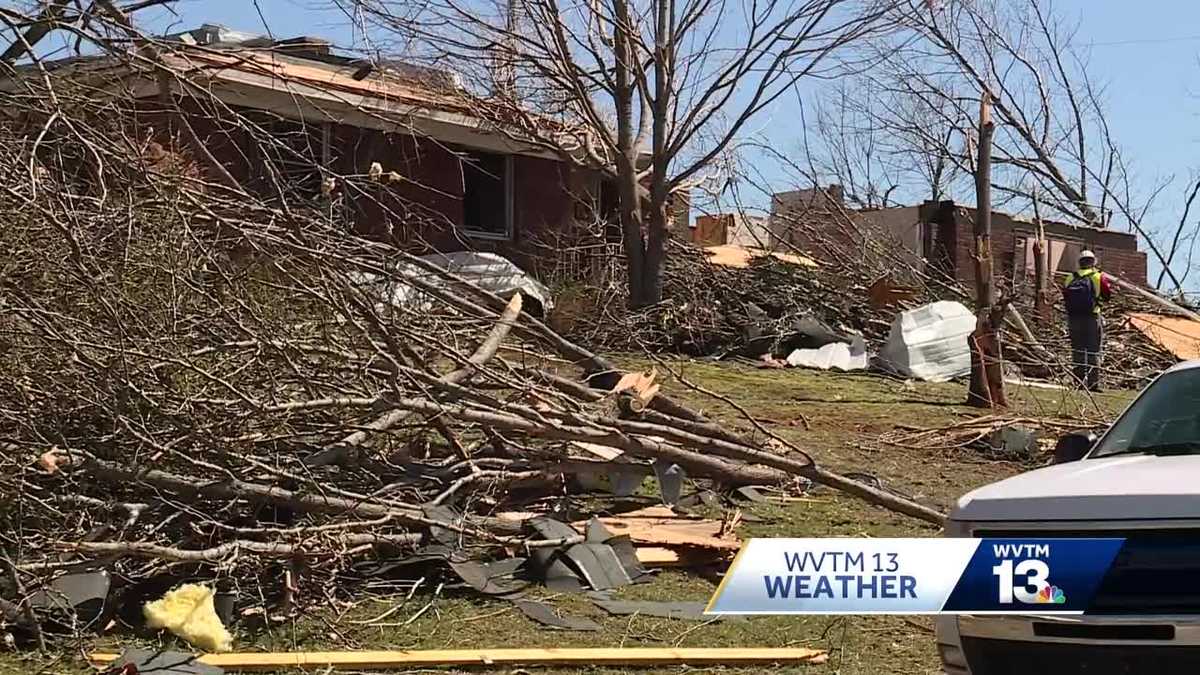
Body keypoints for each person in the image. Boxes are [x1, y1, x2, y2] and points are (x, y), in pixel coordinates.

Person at [1061, 250, 1114, 391]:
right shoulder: (1098, 276)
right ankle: (1093, 384)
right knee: (1092, 351)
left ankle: (1078, 383)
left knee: (1077, 351)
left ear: (1080, 263)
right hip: (1092, 317)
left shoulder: (1069, 278)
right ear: (1093, 262)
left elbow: (1065, 296)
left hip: (1073, 318)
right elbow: (1107, 296)